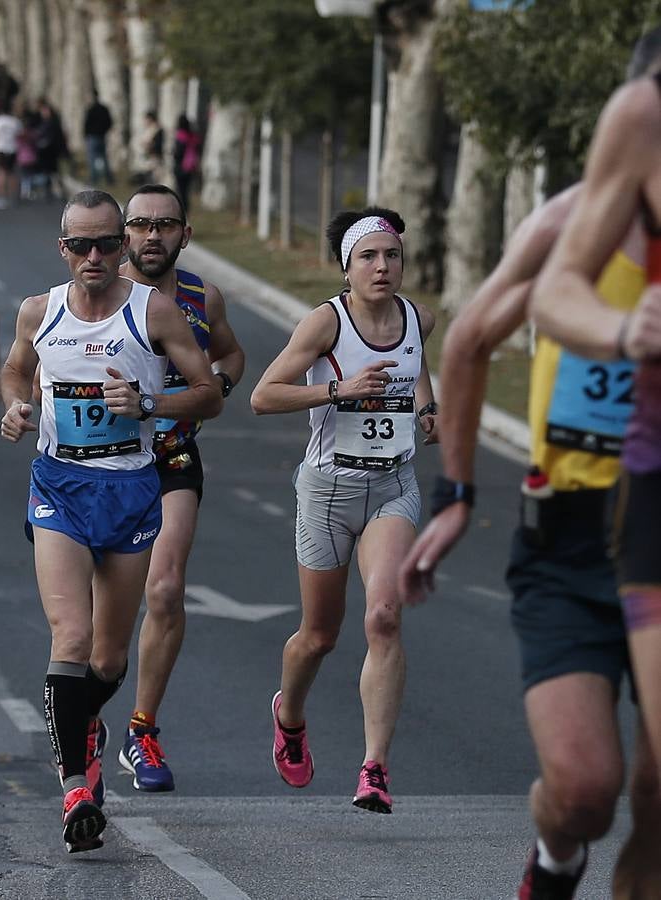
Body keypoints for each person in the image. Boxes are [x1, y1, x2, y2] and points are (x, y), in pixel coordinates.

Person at [399, 183, 661, 900]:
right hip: (571, 538)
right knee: (584, 791)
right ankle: (555, 855)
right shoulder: (569, 223)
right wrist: (456, 497)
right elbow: (472, 338)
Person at [0, 190, 222, 852]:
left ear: (121, 247)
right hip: (58, 489)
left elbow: (208, 392)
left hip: (129, 489)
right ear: (61, 248)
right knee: (70, 637)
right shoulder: (39, 311)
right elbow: (16, 370)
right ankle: (75, 790)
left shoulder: (153, 311)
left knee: (108, 656)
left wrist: (149, 399)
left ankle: (87, 725)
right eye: (80, 246)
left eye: (105, 244)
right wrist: (14, 407)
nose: (93, 257)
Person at [250, 207, 438, 814]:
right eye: (369, 257)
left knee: (384, 617)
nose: (383, 267)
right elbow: (263, 396)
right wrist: (339, 390)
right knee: (320, 636)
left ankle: (374, 769)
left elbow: (418, 377)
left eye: (393, 256)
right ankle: (291, 714)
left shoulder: (417, 319)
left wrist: (428, 413)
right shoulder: (325, 325)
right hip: (329, 490)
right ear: (346, 267)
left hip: (393, 486)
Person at [529, 24, 661, 884]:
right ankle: (557, 854)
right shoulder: (646, 114)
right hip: (620, 497)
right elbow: (532, 301)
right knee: (592, 790)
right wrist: (624, 329)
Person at [115, 184, 245, 791]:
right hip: (101, 465)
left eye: (165, 225)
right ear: (124, 234)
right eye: (140, 225)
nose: (152, 236)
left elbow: (232, 354)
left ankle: (142, 730)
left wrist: (215, 383)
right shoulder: (97, 292)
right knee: (97, 618)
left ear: (184, 235)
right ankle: (86, 721)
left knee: (164, 591)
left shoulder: (201, 296)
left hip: (171, 456)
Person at [83, 92, 113, 186]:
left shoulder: (90, 109)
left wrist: (86, 134)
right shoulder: (104, 109)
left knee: (92, 158)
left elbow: (86, 124)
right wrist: (104, 131)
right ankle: (109, 178)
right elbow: (110, 122)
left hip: (92, 137)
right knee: (104, 158)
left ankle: (94, 179)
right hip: (101, 136)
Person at [172, 116, 201, 214]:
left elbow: (178, 153)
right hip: (190, 168)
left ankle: (180, 210)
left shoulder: (181, 136)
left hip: (180, 167)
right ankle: (186, 210)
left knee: (179, 190)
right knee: (186, 191)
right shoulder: (194, 137)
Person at [132, 110, 163, 185]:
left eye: (146, 119)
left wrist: (149, 145)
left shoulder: (157, 130)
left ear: (150, 119)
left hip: (154, 156)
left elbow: (158, 144)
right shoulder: (148, 129)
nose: (145, 121)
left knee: (153, 179)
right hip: (147, 156)